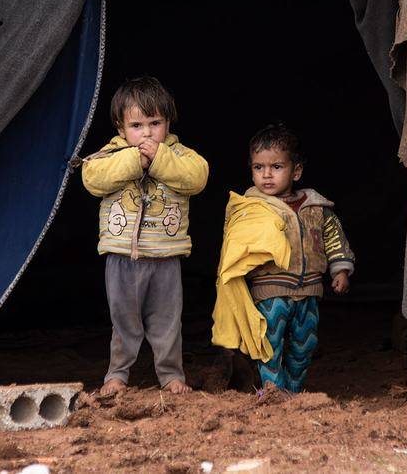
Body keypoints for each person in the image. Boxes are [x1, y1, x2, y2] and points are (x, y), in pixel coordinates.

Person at [81, 77, 208, 396]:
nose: (148, 133)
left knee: (167, 322)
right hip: (122, 257)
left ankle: (170, 374)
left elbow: (198, 177)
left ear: (168, 123)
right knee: (124, 322)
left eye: (156, 123)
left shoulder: (180, 155)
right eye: (137, 125)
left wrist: (161, 159)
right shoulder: (110, 154)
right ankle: (117, 375)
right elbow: (91, 178)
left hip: (166, 257)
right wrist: (132, 160)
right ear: (121, 128)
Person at [214, 124, 354, 392]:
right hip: (269, 292)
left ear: (296, 171)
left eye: (276, 167)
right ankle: (274, 393)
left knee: (304, 345)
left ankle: (294, 390)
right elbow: (234, 249)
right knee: (269, 344)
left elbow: (334, 239)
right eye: (258, 168)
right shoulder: (249, 208)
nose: (266, 175)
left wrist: (341, 270)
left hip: (309, 289)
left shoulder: (317, 208)